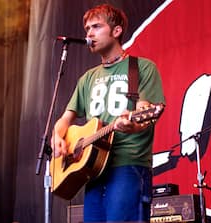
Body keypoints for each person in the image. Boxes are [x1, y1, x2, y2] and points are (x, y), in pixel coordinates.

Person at [50, 4, 165, 223]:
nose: (89, 34)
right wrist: (57, 137)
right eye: (87, 29)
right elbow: (66, 119)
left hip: (128, 166)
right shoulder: (87, 78)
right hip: (94, 170)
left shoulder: (141, 67)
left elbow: (146, 114)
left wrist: (132, 124)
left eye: (96, 27)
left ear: (116, 31)